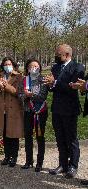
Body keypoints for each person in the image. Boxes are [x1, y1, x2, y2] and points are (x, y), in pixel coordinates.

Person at [43, 44, 85, 178]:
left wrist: (54, 82)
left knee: (71, 138)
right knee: (59, 138)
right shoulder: (55, 67)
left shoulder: (78, 68)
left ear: (67, 55)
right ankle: (63, 164)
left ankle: (73, 166)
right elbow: (53, 87)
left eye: (58, 54)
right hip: (57, 108)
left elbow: (72, 87)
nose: (56, 56)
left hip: (70, 109)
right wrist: (50, 84)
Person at [0, 57, 23, 167]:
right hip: (2, 110)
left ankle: (14, 157)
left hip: (13, 110)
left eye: (9, 64)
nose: (7, 66)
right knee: (4, 134)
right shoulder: (0, 75)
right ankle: (7, 155)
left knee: (13, 134)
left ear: (13, 65)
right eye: (5, 64)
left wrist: (6, 85)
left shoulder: (18, 76)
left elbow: (17, 92)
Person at [18, 59, 48, 172]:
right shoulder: (24, 80)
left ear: (40, 67)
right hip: (28, 111)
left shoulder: (43, 80)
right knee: (28, 136)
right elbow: (19, 95)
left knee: (40, 137)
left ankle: (39, 163)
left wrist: (31, 95)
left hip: (40, 112)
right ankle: (29, 161)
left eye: (36, 66)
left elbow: (43, 96)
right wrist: (25, 96)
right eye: (31, 66)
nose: (34, 68)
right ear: (27, 68)